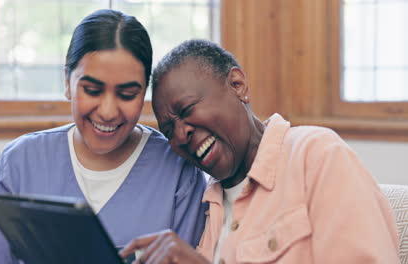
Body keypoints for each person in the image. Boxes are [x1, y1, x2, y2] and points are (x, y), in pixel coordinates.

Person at [0, 10, 206, 264]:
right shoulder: (21, 161)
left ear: (144, 93)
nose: (108, 112)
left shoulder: (179, 171)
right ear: (67, 81)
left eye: (127, 94)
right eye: (92, 90)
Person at [120, 39, 400, 263]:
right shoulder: (209, 209)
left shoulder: (316, 155)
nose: (181, 134)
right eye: (169, 131)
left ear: (237, 85)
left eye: (187, 110)